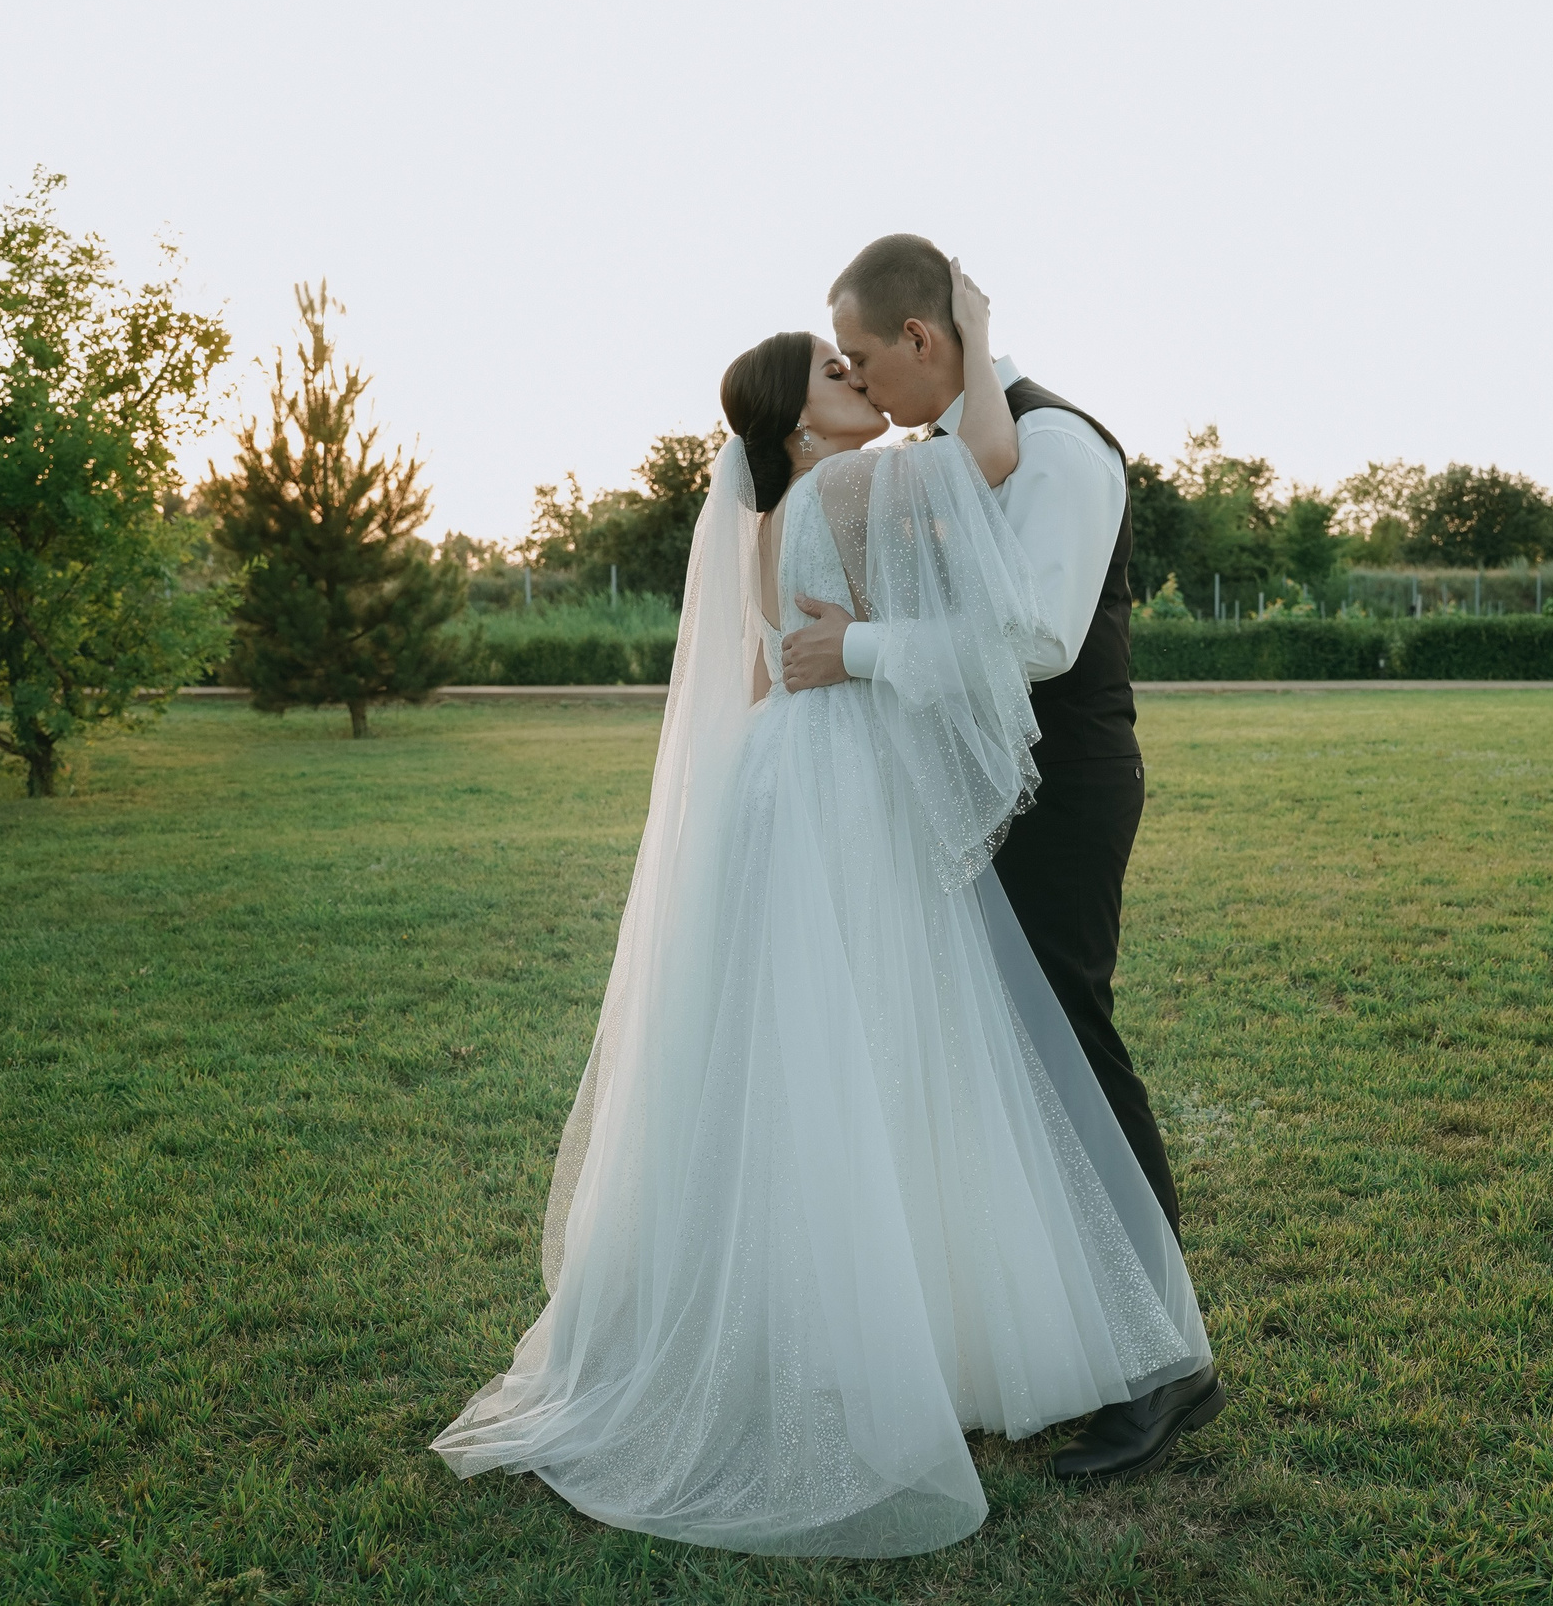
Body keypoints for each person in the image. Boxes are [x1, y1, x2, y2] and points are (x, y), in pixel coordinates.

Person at [430, 265, 1211, 1557]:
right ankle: (1020, 1330)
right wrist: (981, 352)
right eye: (838, 373)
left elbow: (762, 665)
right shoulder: (866, 481)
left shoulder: (770, 507)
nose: (863, 384)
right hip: (846, 795)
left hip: (786, 790)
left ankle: (879, 1325)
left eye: (861, 363)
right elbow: (990, 496)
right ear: (800, 421)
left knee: (830, 1050)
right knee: (909, 1042)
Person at [782, 234, 1221, 1484]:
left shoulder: (1066, 448)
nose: (860, 384)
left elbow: (1029, 635)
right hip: (976, 794)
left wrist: (854, 651)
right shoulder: (952, 451)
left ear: (925, 341)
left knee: (1069, 1055)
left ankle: (1169, 1370)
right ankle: (1063, 1345)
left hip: (1064, 795)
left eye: (865, 358)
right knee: (1006, 1073)